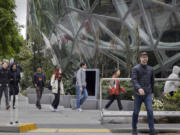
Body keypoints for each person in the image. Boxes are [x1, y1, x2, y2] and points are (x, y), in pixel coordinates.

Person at [131, 52, 156, 135]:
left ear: (147, 58)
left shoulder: (151, 69)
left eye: (146, 57)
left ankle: (152, 129)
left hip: (148, 93)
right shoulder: (135, 68)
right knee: (136, 112)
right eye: (143, 57)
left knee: (150, 110)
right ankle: (134, 129)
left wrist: (153, 92)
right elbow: (134, 80)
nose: (144, 58)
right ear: (140, 58)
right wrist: (139, 88)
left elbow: (152, 81)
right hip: (138, 94)